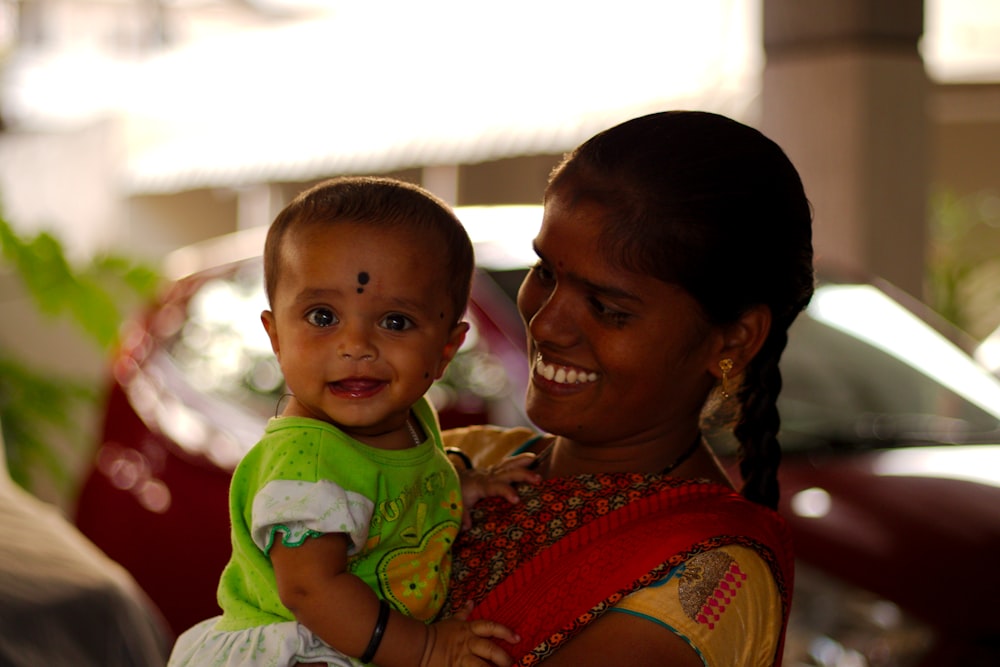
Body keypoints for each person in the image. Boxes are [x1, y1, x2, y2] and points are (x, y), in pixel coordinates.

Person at [441, 111, 814, 667]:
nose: (545, 324)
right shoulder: (473, 459)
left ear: (733, 337)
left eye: (608, 308)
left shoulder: (705, 575)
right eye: (544, 270)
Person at [168, 176, 538, 667]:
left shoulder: (410, 419)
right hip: (305, 648)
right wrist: (427, 648)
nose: (356, 346)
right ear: (275, 336)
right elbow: (310, 588)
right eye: (323, 317)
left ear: (446, 349)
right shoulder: (308, 464)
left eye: (395, 322)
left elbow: (398, 490)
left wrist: (459, 485)